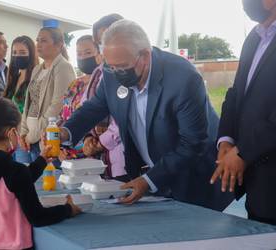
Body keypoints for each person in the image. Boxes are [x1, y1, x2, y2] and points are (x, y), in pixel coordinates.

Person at [62, 20, 233, 211]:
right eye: (111, 67)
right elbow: (94, 107)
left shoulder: (183, 78)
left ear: (144, 55)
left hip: (193, 180)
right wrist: (65, 132)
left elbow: (193, 143)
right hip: (152, 182)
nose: (116, 73)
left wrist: (149, 180)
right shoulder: (111, 72)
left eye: (122, 67)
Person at [211, 0, 276, 233]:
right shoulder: (255, 37)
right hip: (261, 189)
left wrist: (243, 152)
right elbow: (236, 95)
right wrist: (226, 140)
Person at [0, 97, 81, 250]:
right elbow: (38, 217)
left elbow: (16, 183)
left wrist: (41, 160)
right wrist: (68, 209)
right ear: (11, 132)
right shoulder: (15, 171)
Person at [80, 13, 128, 180]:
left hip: (122, 159)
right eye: (101, 41)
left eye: (110, 37)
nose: (105, 44)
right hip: (97, 161)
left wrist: (101, 143)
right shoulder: (98, 71)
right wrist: (87, 139)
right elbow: (86, 108)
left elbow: (125, 117)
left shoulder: (128, 71)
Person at [20, 27, 76, 163]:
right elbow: (29, 104)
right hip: (29, 139)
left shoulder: (63, 67)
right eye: (37, 40)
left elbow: (57, 106)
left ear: (59, 44)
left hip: (46, 140)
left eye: (44, 40)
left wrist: (32, 136)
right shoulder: (37, 69)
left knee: (47, 182)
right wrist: (23, 133)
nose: (38, 44)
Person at [58, 35, 102, 160]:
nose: (83, 57)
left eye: (88, 52)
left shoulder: (103, 85)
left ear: (99, 54)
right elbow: (63, 116)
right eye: (79, 54)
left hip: (92, 153)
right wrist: (58, 144)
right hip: (65, 153)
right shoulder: (75, 84)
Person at [4, 36, 39, 163]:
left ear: (31, 54)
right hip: (14, 139)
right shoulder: (13, 78)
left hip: (30, 139)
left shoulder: (37, 77)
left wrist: (23, 135)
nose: (17, 56)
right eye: (14, 53)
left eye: (23, 52)